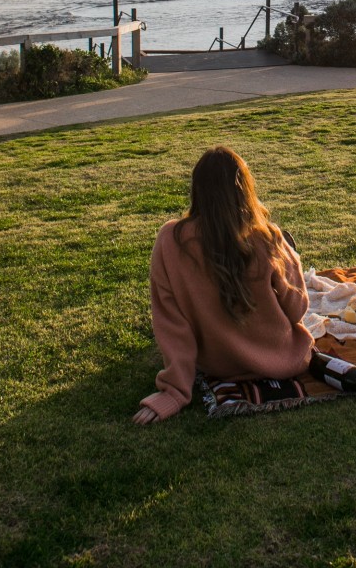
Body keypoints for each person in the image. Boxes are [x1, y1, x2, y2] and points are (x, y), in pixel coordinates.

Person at [133, 146, 313, 423]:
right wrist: (290, 258)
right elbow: (297, 309)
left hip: (217, 364)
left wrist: (175, 392)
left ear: (197, 190)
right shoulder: (267, 237)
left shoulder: (170, 240)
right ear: (246, 191)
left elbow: (172, 324)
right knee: (284, 244)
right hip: (280, 358)